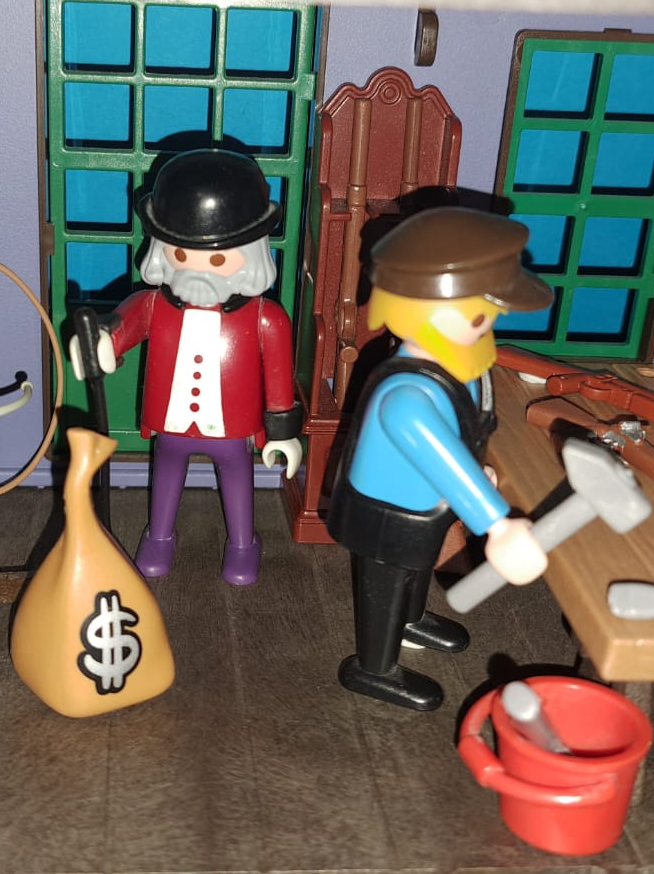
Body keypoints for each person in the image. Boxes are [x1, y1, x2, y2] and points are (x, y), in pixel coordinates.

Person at [327, 206, 554, 711]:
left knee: (416, 566)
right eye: (480, 314)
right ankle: (374, 667)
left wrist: (480, 471)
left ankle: (409, 621)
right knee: (386, 580)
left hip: (424, 504)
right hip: (386, 509)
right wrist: (496, 524)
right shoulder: (407, 396)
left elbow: (463, 429)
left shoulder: (457, 364)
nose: (491, 323)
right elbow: (440, 456)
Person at [70, 149, 302, 586]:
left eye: (216, 258)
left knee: (238, 481)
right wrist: (99, 342)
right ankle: (159, 536)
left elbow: (278, 382)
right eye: (181, 253)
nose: (197, 268)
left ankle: (242, 543)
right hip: (171, 422)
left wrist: (283, 432)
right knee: (166, 474)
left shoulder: (265, 318)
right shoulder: (152, 305)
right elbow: (120, 327)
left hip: (232, 427)